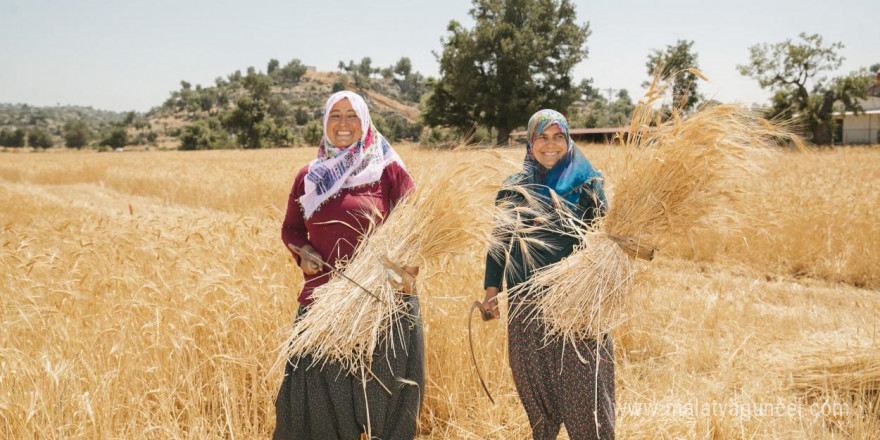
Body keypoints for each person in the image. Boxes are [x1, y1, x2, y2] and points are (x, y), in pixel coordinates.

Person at [274, 91, 423, 440]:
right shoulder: (309, 177)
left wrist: (405, 269)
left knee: (388, 398)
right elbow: (291, 228)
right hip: (325, 301)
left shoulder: (388, 171)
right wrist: (303, 252)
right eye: (335, 116)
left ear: (366, 121)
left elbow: (417, 226)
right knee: (322, 402)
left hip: (384, 299)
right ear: (325, 123)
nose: (343, 124)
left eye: (351, 115)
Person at [480, 109, 613, 440]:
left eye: (558, 137)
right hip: (526, 305)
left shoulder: (587, 184)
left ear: (568, 140)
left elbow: (608, 239)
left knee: (586, 393)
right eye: (542, 137)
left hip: (576, 305)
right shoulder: (515, 188)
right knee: (538, 394)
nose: (550, 145)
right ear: (530, 141)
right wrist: (491, 292)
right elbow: (499, 244)